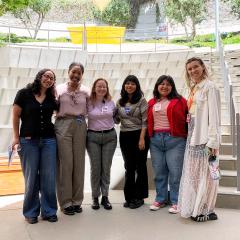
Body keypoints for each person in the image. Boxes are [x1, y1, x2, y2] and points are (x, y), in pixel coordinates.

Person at [12, 69, 58, 224]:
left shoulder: (52, 97)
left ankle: (49, 211)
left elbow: (60, 114)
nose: (48, 79)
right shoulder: (23, 93)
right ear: (39, 76)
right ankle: (31, 212)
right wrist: (16, 138)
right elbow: (15, 116)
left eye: (51, 78)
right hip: (28, 141)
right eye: (46, 76)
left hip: (49, 141)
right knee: (31, 179)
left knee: (49, 178)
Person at [178, 57, 221, 222]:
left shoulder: (210, 87)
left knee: (210, 175)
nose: (192, 71)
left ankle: (207, 210)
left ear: (202, 67)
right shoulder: (194, 88)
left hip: (206, 138)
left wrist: (213, 142)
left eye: (195, 67)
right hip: (194, 134)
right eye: (189, 69)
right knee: (195, 174)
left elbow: (215, 117)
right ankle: (200, 206)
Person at [147, 75, 188, 213]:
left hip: (175, 140)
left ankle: (176, 201)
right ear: (157, 86)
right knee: (159, 172)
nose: (164, 87)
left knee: (175, 172)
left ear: (172, 87)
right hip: (156, 140)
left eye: (168, 84)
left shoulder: (180, 101)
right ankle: (161, 199)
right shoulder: (152, 102)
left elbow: (189, 118)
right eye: (162, 84)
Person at [55, 62, 90, 215]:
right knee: (66, 164)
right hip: (63, 124)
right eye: (73, 72)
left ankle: (77, 201)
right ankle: (65, 202)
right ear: (68, 72)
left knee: (79, 163)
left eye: (79, 73)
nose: (76, 75)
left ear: (82, 75)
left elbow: (90, 109)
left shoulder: (86, 90)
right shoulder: (58, 88)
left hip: (81, 124)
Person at [115, 75, 149, 209]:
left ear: (137, 86)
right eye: (127, 83)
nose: (130, 86)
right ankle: (129, 197)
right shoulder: (120, 102)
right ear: (124, 86)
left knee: (140, 166)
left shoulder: (141, 100)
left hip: (139, 135)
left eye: (133, 84)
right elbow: (117, 120)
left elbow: (145, 121)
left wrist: (141, 139)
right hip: (124, 136)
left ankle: (139, 197)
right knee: (128, 167)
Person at [87, 78, 117, 210]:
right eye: (99, 86)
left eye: (104, 86)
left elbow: (117, 118)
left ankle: (105, 197)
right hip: (93, 137)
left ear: (107, 88)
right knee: (95, 168)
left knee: (106, 168)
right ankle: (95, 197)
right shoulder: (88, 102)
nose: (101, 89)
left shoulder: (111, 102)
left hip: (110, 137)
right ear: (94, 88)